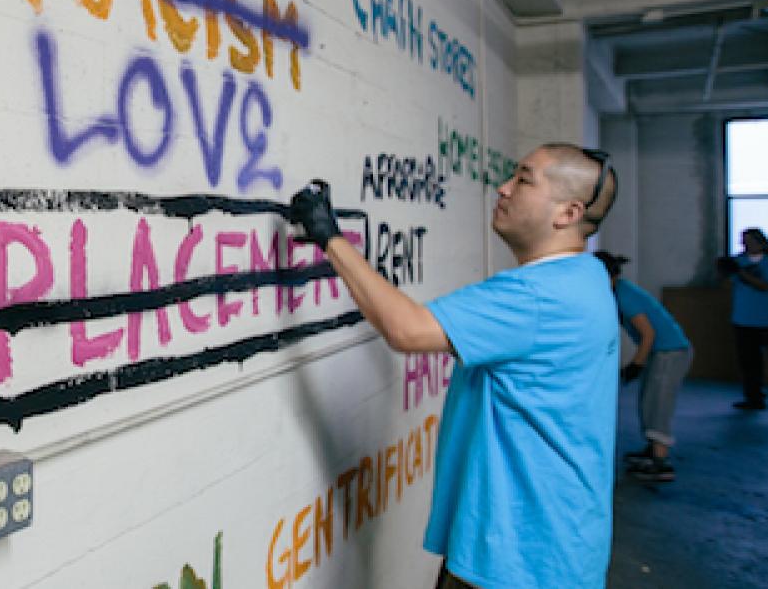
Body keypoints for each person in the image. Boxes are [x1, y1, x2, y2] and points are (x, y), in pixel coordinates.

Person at [288, 144, 619, 589]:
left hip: (520, 558)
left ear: (568, 212)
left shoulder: (538, 295)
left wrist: (329, 236)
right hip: (554, 542)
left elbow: (406, 330)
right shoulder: (586, 277)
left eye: (523, 180)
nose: (502, 189)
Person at [594, 251, 692, 483]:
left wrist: (636, 364)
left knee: (659, 403)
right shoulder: (618, 291)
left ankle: (661, 462)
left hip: (670, 352)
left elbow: (648, 334)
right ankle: (652, 450)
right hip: (663, 352)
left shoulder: (624, 296)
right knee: (649, 400)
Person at [718, 228, 768, 420]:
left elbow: (766, 286)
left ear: (762, 242)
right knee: (749, 364)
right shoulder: (739, 261)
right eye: (743, 241)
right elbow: (726, 283)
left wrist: (740, 273)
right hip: (745, 320)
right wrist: (723, 271)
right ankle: (754, 399)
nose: (746, 244)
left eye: (751, 241)